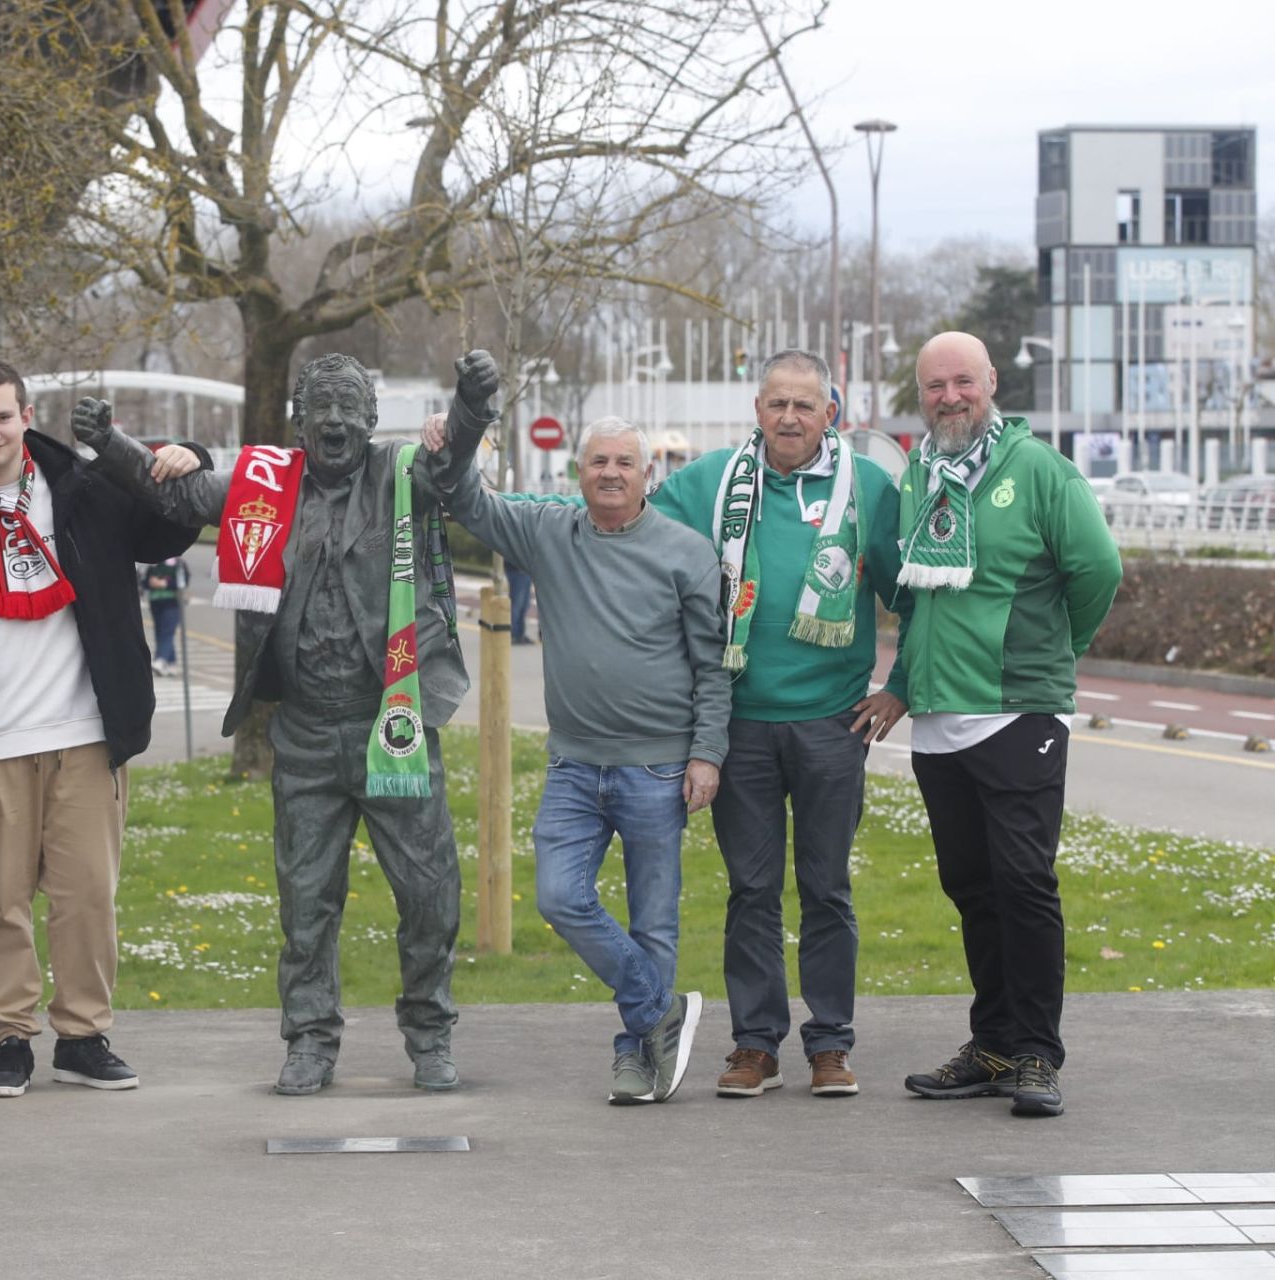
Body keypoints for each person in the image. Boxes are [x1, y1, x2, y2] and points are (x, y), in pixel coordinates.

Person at [72, 350, 499, 1095]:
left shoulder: (402, 475)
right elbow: (180, 498)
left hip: (391, 723)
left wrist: (471, 402)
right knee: (306, 905)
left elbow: (454, 463)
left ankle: (430, 1032)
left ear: (371, 416)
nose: (335, 421)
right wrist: (111, 443)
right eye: (321, 407)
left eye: (349, 407)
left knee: (431, 894)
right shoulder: (264, 483)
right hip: (302, 733)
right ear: (300, 417)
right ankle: (309, 1040)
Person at [0, 358, 209, 1099]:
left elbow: (171, 524)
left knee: (86, 896)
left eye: (3, 416)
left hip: (83, 732)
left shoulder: (87, 492)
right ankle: (11, 1037)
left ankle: (83, 1035)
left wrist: (190, 458)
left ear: (26, 415)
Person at [432, 410, 730, 1105]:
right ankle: (660, 1011)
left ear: (646, 473)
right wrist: (458, 439)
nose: (611, 473)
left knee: (654, 921)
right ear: (579, 471)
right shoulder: (549, 531)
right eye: (598, 462)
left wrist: (706, 754)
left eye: (624, 462)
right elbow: (471, 502)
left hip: (658, 766)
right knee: (560, 898)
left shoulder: (686, 553)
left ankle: (636, 1057)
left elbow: (713, 668)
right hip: (574, 766)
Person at [641, 349, 908, 1101]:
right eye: (775, 404)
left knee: (826, 889)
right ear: (756, 411)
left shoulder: (869, 489)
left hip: (833, 725)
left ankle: (831, 1044)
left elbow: (913, 594)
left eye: (805, 404)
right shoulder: (708, 484)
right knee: (751, 890)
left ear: (832, 413)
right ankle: (755, 1044)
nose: (789, 417)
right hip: (740, 725)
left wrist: (903, 687)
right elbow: (638, 548)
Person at [897, 331, 1122, 1119]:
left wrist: (1054, 656)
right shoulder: (919, 474)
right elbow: (914, 597)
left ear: (991, 381)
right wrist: (901, 686)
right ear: (920, 395)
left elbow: (1099, 570)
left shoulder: (1038, 471)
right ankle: (992, 1044)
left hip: (1017, 712)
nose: (950, 397)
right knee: (973, 888)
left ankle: (1036, 1053)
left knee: (1024, 884)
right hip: (937, 721)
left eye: (963, 381)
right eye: (934, 386)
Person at [143, 555, 188, 675]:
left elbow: (183, 581)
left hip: (172, 603)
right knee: (160, 631)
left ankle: (161, 658)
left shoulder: (178, 564)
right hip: (156, 602)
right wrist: (151, 582)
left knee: (167, 631)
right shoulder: (154, 563)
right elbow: (146, 581)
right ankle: (171, 663)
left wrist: (165, 583)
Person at [504, 559, 534, 644]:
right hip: (517, 570)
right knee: (516, 605)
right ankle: (514, 634)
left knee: (524, 605)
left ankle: (520, 634)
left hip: (525, 571)